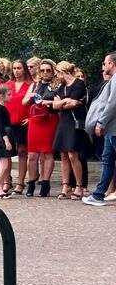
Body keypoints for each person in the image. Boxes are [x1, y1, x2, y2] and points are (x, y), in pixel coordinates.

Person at [83, 51, 116, 206]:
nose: (104, 66)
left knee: (107, 160)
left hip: (113, 128)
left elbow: (112, 103)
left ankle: (98, 195)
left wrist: (101, 122)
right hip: (111, 128)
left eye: (105, 62)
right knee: (107, 159)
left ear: (112, 63)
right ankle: (98, 195)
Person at [52, 61, 88, 199]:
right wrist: (64, 101)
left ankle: (79, 185)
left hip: (74, 121)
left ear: (62, 72)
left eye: (57, 74)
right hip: (64, 121)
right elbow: (55, 106)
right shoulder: (62, 87)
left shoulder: (78, 84)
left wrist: (63, 102)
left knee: (73, 154)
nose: (56, 77)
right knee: (63, 154)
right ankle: (65, 185)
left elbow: (72, 103)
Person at [23, 59, 58, 197]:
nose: (45, 73)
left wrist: (47, 102)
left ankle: (45, 183)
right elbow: (24, 102)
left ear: (53, 71)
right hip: (35, 120)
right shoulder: (35, 84)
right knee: (32, 154)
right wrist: (31, 97)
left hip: (50, 119)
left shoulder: (57, 85)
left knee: (48, 153)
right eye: (42, 70)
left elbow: (59, 103)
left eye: (48, 70)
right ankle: (31, 182)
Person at [6, 59, 31, 194]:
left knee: (22, 151)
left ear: (24, 69)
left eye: (19, 68)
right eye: (14, 68)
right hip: (8, 122)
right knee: (7, 152)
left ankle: (20, 182)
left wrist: (31, 118)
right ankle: (6, 181)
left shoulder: (30, 85)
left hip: (23, 122)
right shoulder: (8, 85)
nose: (16, 71)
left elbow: (35, 103)